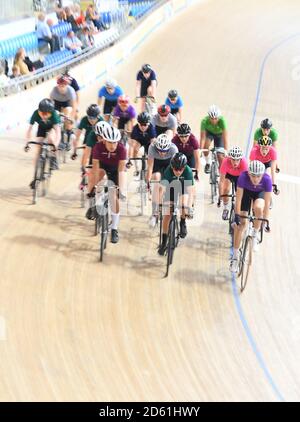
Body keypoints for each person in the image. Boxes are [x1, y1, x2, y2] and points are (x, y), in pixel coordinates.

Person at [230, 160, 272, 273]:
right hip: (246, 194)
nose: (255, 179)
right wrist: (237, 216)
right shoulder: (243, 177)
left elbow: (267, 203)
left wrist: (266, 219)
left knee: (258, 208)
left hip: (259, 193)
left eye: (258, 176)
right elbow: (238, 199)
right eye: (253, 175)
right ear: (249, 173)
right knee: (241, 225)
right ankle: (234, 257)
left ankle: (254, 234)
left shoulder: (267, 180)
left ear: (262, 175)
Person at [91, 125, 127, 243]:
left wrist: (120, 190)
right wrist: (93, 187)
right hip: (102, 168)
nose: (112, 146)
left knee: (114, 196)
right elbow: (95, 169)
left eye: (115, 143)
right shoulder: (97, 147)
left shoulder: (122, 149)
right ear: (104, 140)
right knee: (100, 176)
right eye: (110, 142)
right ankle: (97, 202)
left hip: (116, 170)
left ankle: (114, 229)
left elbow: (121, 171)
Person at [158, 153, 194, 255]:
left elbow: (190, 192)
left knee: (184, 204)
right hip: (171, 188)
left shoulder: (188, 171)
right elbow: (162, 189)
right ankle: (164, 242)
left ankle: (182, 222)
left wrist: (189, 207)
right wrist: (160, 204)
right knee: (166, 215)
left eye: (180, 169)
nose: (178, 172)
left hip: (184, 188)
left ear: (184, 167)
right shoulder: (168, 171)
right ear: (172, 167)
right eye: (176, 169)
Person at [25, 99, 61, 187]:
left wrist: (55, 145)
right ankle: (35, 177)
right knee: (38, 147)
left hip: (52, 128)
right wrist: (27, 143)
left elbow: (58, 132)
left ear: (51, 112)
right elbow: (29, 130)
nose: (44, 116)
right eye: (42, 113)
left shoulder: (54, 115)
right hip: (41, 128)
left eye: (46, 113)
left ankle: (54, 158)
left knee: (51, 139)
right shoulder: (35, 114)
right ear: (39, 111)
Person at [147, 133, 178, 227]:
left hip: (169, 164)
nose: (162, 153)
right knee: (156, 178)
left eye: (164, 151)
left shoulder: (173, 149)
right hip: (157, 164)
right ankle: (154, 213)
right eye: (160, 150)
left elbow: (176, 168)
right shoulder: (152, 148)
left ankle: (174, 205)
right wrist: (148, 183)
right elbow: (150, 167)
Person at [82, 120, 112, 195]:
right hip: (96, 153)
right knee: (92, 175)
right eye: (98, 136)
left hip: (108, 153)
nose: (100, 139)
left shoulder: (111, 137)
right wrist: (83, 167)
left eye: (102, 137)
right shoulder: (92, 135)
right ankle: (91, 194)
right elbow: (87, 153)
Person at [219, 146, 248, 220]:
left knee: (239, 193)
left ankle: (237, 210)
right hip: (229, 175)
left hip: (240, 176)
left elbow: (246, 181)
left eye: (237, 160)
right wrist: (220, 196)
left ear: (240, 159)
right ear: (230, 158)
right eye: (233, 160)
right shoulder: (225, 161)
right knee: (225, 189)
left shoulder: (244, 163)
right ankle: (225, 208)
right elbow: (221, 181)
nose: (235, 162)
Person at [200, 105, 228, 173]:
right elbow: (202, 138)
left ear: (219, 117)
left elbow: (225, 137)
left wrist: (226, 150)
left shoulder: (223, 121)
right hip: (209, 133)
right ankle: (208, 163)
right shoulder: (204, 121)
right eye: (212, 118)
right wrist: (200, 150)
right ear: (209, 117)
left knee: (220, 155)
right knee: (205, 147)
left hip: (220, 135)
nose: (214, 121)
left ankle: (221, 172)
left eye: (216, 118)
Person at [127, 112, 156, 176]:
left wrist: (151, 155)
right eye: (141, 124)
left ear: (148, 124)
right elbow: (131, 145)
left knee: (150, 153)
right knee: (135, 149)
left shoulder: (151, 128)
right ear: (138, 123)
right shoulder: (135, 128)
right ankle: (137, 169)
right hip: (139, 141)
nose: (143, 127)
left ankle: (149, 170)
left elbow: (153, 143)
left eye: (145, 124)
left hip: (148, 142)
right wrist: (129, 159)